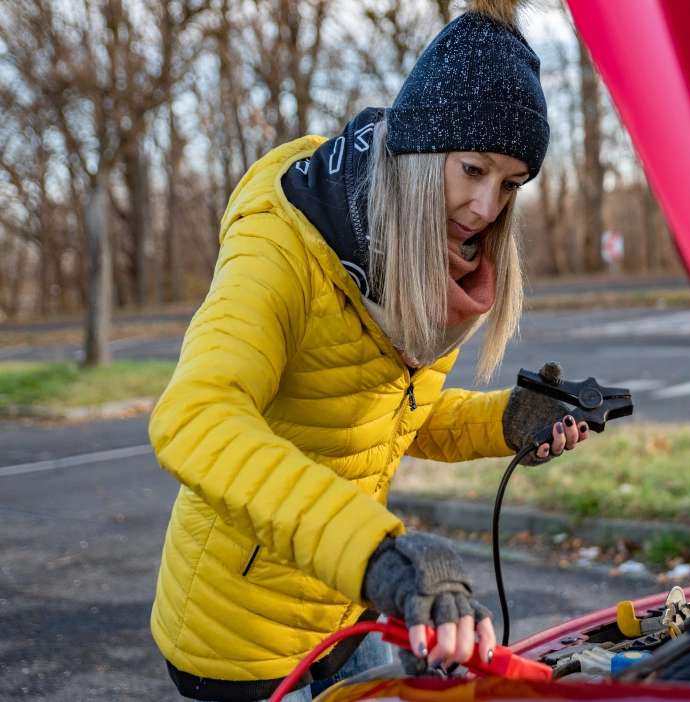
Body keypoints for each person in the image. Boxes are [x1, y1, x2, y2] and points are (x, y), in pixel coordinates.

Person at [148, 2, 584, 699]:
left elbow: (388, 417)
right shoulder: (281, 246)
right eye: (473, 169)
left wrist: (507, 419)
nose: (485, 208)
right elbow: (195, 417)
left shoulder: (435, 259)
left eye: (509, 184)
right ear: (420, 151)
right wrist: (378, 555)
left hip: (352, 610)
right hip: (245, 639)